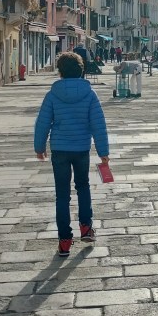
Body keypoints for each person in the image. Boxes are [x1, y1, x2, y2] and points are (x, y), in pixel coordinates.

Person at [34, 52, 110, 258]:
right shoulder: (90, 94)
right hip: (81, 149)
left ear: (60, 72)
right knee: (83, 187)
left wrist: (39, 147)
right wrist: (104, 152)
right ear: (81, 70)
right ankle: (86, 228)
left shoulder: (52, 95)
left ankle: (65, 241)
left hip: (59, 149)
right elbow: (98, 124)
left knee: (62, 195)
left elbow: (43, 123)